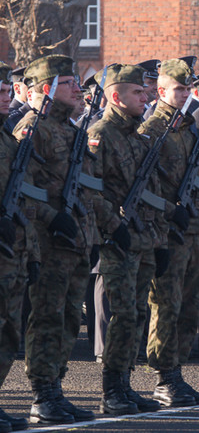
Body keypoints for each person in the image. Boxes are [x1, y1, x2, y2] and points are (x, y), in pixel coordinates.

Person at [14, 55, 96, 424]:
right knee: (46, 318)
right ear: (45, 90)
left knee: (67, 319)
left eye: (77, 82)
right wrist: (54, 218)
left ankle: (56, 387)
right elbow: (22, 189)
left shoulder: (71, 130)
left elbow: (89, 187)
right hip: (48, 240)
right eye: (68, 84)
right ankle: (42, 393)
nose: (77, 89)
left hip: (74, 240)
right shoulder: (33, 129)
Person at [88, 63, 169, 415]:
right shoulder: (100, 134)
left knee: (136, 313)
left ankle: (124, 383)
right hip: (117, 239)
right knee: (121, 314)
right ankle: (110, 389)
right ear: (116, 97)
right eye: (138, 92)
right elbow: (91, 190)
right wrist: (113, 226)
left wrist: (160, 241)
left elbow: (153, 194)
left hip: (143, 239)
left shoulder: (139, 137)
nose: (146, 96)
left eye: (145, 91)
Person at [141, 58, 199, 407]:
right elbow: (143, 188)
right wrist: (171, 213)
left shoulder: (188, 128)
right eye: (178, 89)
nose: (183, 95)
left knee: (190, 305)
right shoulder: (153, 130)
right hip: (166, 231)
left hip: (194, 228)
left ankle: (177, 370)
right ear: (162, 91)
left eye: (187, 89)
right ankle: (163, 375)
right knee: (166, 304)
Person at [0, 63, 40, 432]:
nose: (3, 98)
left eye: (3, 92)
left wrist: (33, 253)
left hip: (13, 250)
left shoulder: (7, 138)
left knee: (9, 329)